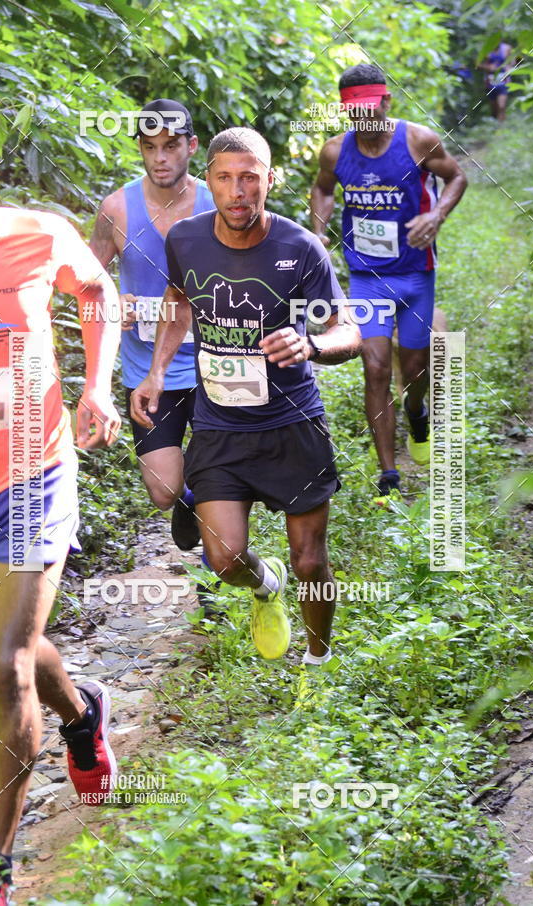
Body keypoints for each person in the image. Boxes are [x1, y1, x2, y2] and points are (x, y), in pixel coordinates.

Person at [0, 112, 120, 906]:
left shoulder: (37, 234)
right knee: (2, 643)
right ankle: (83, 714)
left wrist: (97, 385)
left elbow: (97, 290)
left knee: (4, 665)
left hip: (29, 467)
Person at [131, 127, 361, 664]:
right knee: (226, 558)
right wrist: (157, 374)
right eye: (225, 178)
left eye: (250, 178)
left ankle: (318, 659)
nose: (238, 191)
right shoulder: (185, 238)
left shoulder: (300, 247)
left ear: (270, 180)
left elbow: (348, 332)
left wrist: (310, 344)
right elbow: (179, 300)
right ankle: (264, 585)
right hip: (220, 425)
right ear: (207, 181)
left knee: (310, 560)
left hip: (292, 423)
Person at [310, 63, 467, 500]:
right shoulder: (335, 151)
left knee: (414, 370)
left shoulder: (417, 140)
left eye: (368, 107)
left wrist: (437, 215)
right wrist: (318, 230)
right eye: (352, 110)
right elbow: (323, 189)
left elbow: (457, 176)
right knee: (375, 367)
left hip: (417, 273)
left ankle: (417, 412)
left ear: (386, 102)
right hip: (367, 277)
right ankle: (389, 477)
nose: (362, 118)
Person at [89, 99, 214, 557]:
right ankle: (189, 503)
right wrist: (109, 300)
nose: (160, 158)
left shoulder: (215, 202)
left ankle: (213, 572)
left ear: (191, 146)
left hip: (213, 360)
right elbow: (85, 282)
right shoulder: (117, 209)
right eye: (149, 147)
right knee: (164, 491)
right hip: (147, 370)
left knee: (217, 476)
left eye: (171, 146)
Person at [478, 42, 514, 122]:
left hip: (503, 81)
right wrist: (488, 67)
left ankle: (501, 127)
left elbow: (513, 62)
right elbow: (478, 64)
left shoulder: (506, 48)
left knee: (501, 106)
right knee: (494, 107)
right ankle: (495, 121)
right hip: (490, 82)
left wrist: (509, 68)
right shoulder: (486, 49)